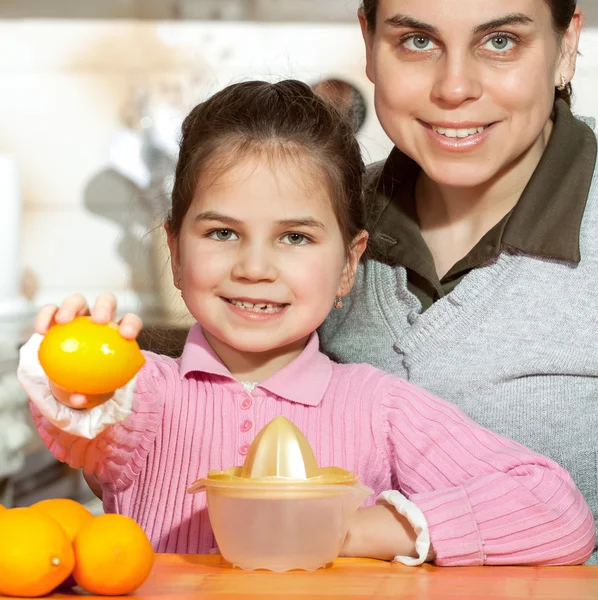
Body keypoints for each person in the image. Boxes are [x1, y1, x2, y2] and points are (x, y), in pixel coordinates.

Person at [17, 80, 594, 566]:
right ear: (174, 248)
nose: (255, 268)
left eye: (295, 237)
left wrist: (354, 533)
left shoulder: (379, 408)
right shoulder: (143, 396)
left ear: (349, 262)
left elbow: (555, 510)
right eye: (222, 233)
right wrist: (68, 372)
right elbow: (77, 414)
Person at [318, 0, 598, 563]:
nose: (454, 88)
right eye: (418, 41)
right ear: (370, 42)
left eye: (499, 42)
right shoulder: (315, 218)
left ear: (566, 45)